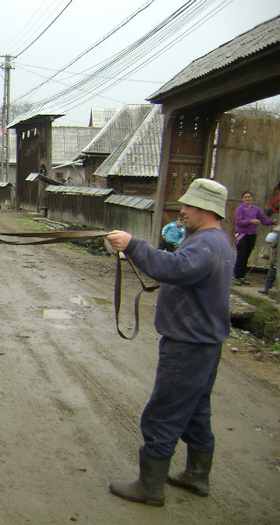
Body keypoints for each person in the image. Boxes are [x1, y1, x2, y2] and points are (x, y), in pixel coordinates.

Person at [106, 178, 233, 507]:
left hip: (188, 346)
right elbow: (179, 269)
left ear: (206, 209)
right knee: (195, 412)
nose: (183, 210)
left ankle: (150, 488)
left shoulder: (204, 244)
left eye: (189, 205)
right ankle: (197, 476)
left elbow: (172, 267)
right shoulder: (216, 241)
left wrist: (132, 245)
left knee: (163, 413)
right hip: (205, 344)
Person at [233, 191, 277, 285]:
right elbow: (239, 222)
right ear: (242, 199)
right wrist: (251, 221)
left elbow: (264, 221)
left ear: (251, 198)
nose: (247, 198)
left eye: (249, 197)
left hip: (252, 235)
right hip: (241, 235)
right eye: (245, 197)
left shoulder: (256, 209)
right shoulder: (240, 209)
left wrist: (273, 222)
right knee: (241, 256)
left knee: (247, 256)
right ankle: (237, 277)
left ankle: (242, 277)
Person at [258, 231, 278, 295]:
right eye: (268, 244)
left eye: (270, 243)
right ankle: (266, 289)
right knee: (269, 278)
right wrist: (264, 256)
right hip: (272, 266)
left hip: (277, 267)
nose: (269, 245)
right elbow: (271, 258)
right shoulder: (272, 249)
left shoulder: (277, 249)